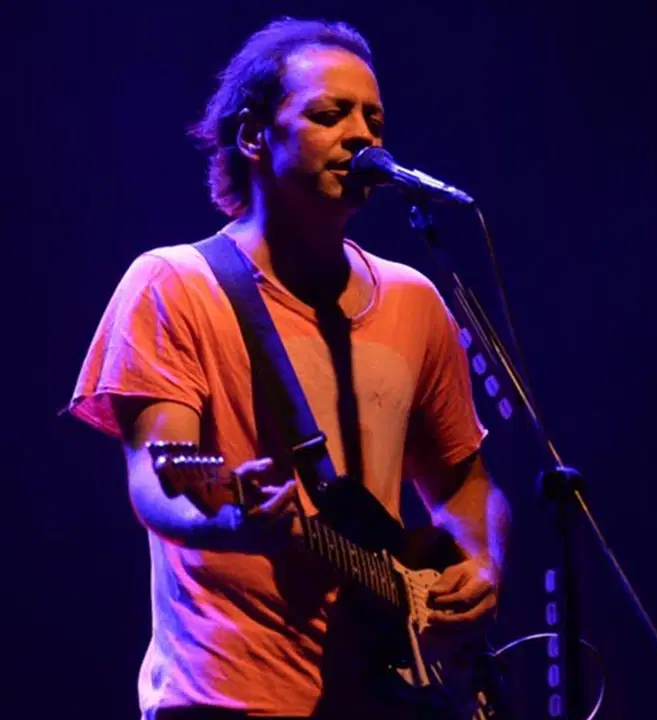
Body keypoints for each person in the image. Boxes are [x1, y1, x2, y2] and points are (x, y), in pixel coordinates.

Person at [64, 17, 510, 719]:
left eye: (373, 119)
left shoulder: (414, 300)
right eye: (330, 115)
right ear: (253, 136)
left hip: (386, 695)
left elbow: (463, 482)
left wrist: (481, 563)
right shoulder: (173, 284)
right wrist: (232, 523)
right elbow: (156, 478)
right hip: (225, 697)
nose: (361, 136)